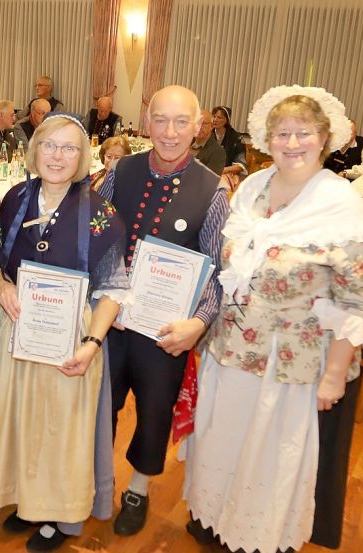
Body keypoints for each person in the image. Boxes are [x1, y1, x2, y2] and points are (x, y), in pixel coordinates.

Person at [182, 86, 363, 553]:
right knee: (222, 440)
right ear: (266, 139)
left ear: (324, 138)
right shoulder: (253, 188)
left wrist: (335, 375)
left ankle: (257, 536)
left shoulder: (341, 206)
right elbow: (226, 261)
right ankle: (214, 521)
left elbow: (356, 303)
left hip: (289, 361)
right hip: (231, 347)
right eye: (282, 134)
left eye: (303, 133)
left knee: (269, 454)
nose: (291, 143)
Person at [0, 112, 130, 552]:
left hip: (71, 336)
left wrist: (92, 344)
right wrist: (0, 283)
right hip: (19, 331)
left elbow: (113, 288)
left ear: (83, 157)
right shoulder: (13, 199)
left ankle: (59, 515)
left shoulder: (102, 214)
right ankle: (27, 502)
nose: (58, 156)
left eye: (69, 148)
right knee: (21, 420)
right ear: (35, 151)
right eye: (50, 145)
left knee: (60, 428)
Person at [96, 85, 228, 537]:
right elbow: (99, 234)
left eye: (181, 122)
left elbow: (217, 269)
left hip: (165, 329)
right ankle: (97, 480)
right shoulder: (121, 171)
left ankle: (138, 487)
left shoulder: (212, 191)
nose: (169, 132)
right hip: (110, 320)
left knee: (155, 410)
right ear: (147, 122)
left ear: (198, 127)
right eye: (160, 120)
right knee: (100, 405)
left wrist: (199, 321)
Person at [211, 105, 247, 178]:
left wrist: (222, 171)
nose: (215, 119)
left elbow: (240, 165)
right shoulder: (207, 134)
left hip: (228, 174)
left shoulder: (236, 138)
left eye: (219, 117)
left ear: (226, 120)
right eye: (214, 116)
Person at [191, 110, 227, 175]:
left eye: (203, 123)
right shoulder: (185, 145)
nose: (199, 127)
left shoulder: (218, 152)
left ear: (211, 126)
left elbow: (209, 181)